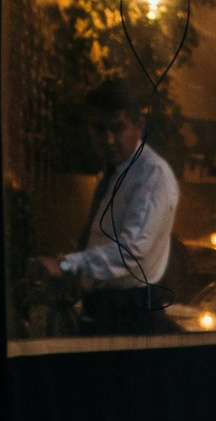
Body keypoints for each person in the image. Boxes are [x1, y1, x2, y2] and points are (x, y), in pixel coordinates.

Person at [30, 79, 180, 336]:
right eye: (99, 129)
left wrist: (66, 264)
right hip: (105, 308)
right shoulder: (113, 172)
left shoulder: (150, 173)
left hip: (131, 313)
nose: (108, 139)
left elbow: (131, 251)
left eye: (117, 128)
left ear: (138, 126)